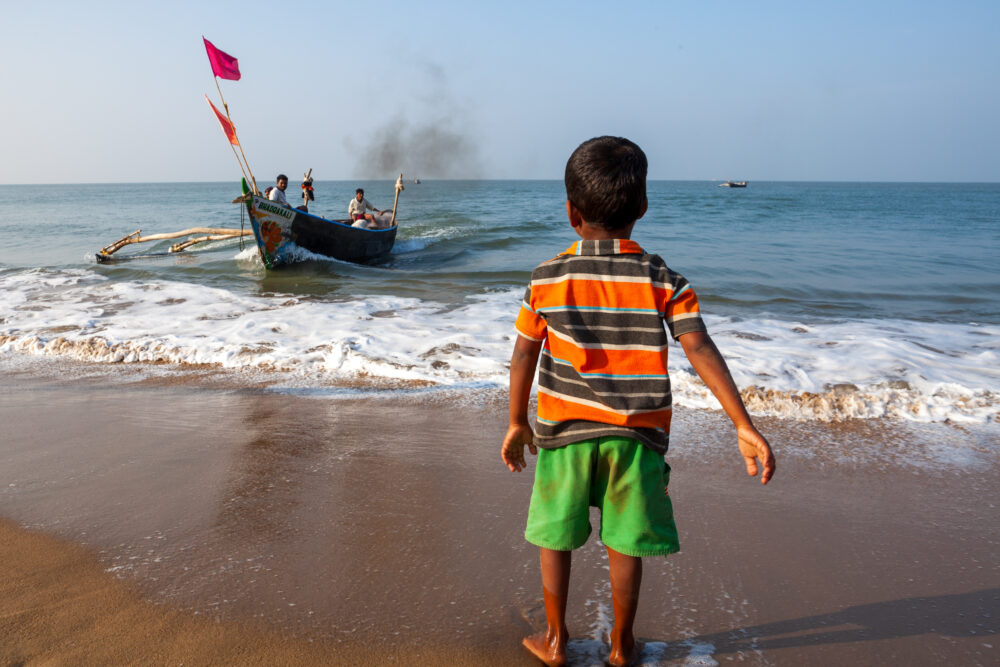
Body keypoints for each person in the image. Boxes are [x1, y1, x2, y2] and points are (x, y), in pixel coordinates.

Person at [501, 136, 776, 667]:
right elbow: (697, 344)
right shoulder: (662, 279)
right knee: (625, 543)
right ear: (643, 207)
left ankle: (556, 641)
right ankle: (622, 646)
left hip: (564, 434)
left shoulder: (547, 278)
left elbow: (523, 355)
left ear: (570, 212)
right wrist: (742, 423)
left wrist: (516, 422)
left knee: (555, 537)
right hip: (637, 438)